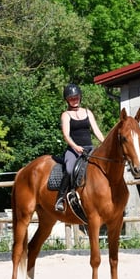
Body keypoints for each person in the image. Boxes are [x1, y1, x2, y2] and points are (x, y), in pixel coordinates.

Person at [55, 83, 105, 212]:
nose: (74, 100)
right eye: (71, 98)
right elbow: (66, 135)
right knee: (70, 169)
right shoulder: (66, 115)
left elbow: (96, 131)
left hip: (89, 148)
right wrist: (75, 147)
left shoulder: (88, 112)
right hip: (73, 149)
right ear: (67, 100)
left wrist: (104, 143)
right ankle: (60, 198)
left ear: (80, 97)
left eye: (76, 97)